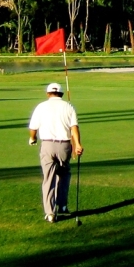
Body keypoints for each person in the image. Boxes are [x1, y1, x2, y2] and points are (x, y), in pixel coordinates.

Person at [28, 82, 83, 223]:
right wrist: (77, 145)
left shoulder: (41, 106)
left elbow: (33, 128)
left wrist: (33, 138)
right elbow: (74, 128)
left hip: (47, 145)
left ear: (48, 94)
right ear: (62, 94)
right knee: (63, 174)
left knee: (49, 178)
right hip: (64, 146)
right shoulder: (68, 106)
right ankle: (62, 205)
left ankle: (50, 213)